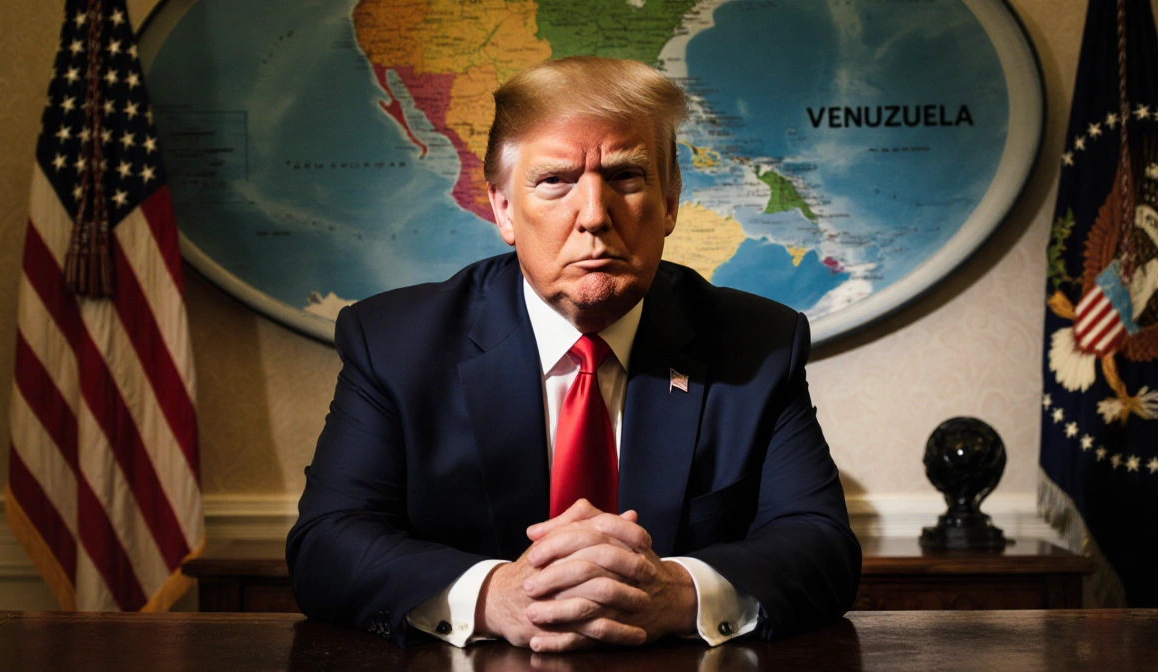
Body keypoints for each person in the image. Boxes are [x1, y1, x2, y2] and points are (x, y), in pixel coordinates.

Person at [286, 56, 860, 652]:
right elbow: (328, 544)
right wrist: (494, 596)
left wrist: (677, 592)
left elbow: (820, 546)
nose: (594, 215)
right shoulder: (395, 343)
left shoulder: (759, 343)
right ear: (504, 208)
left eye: (627, 177)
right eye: (555, 180)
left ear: (670, 203)